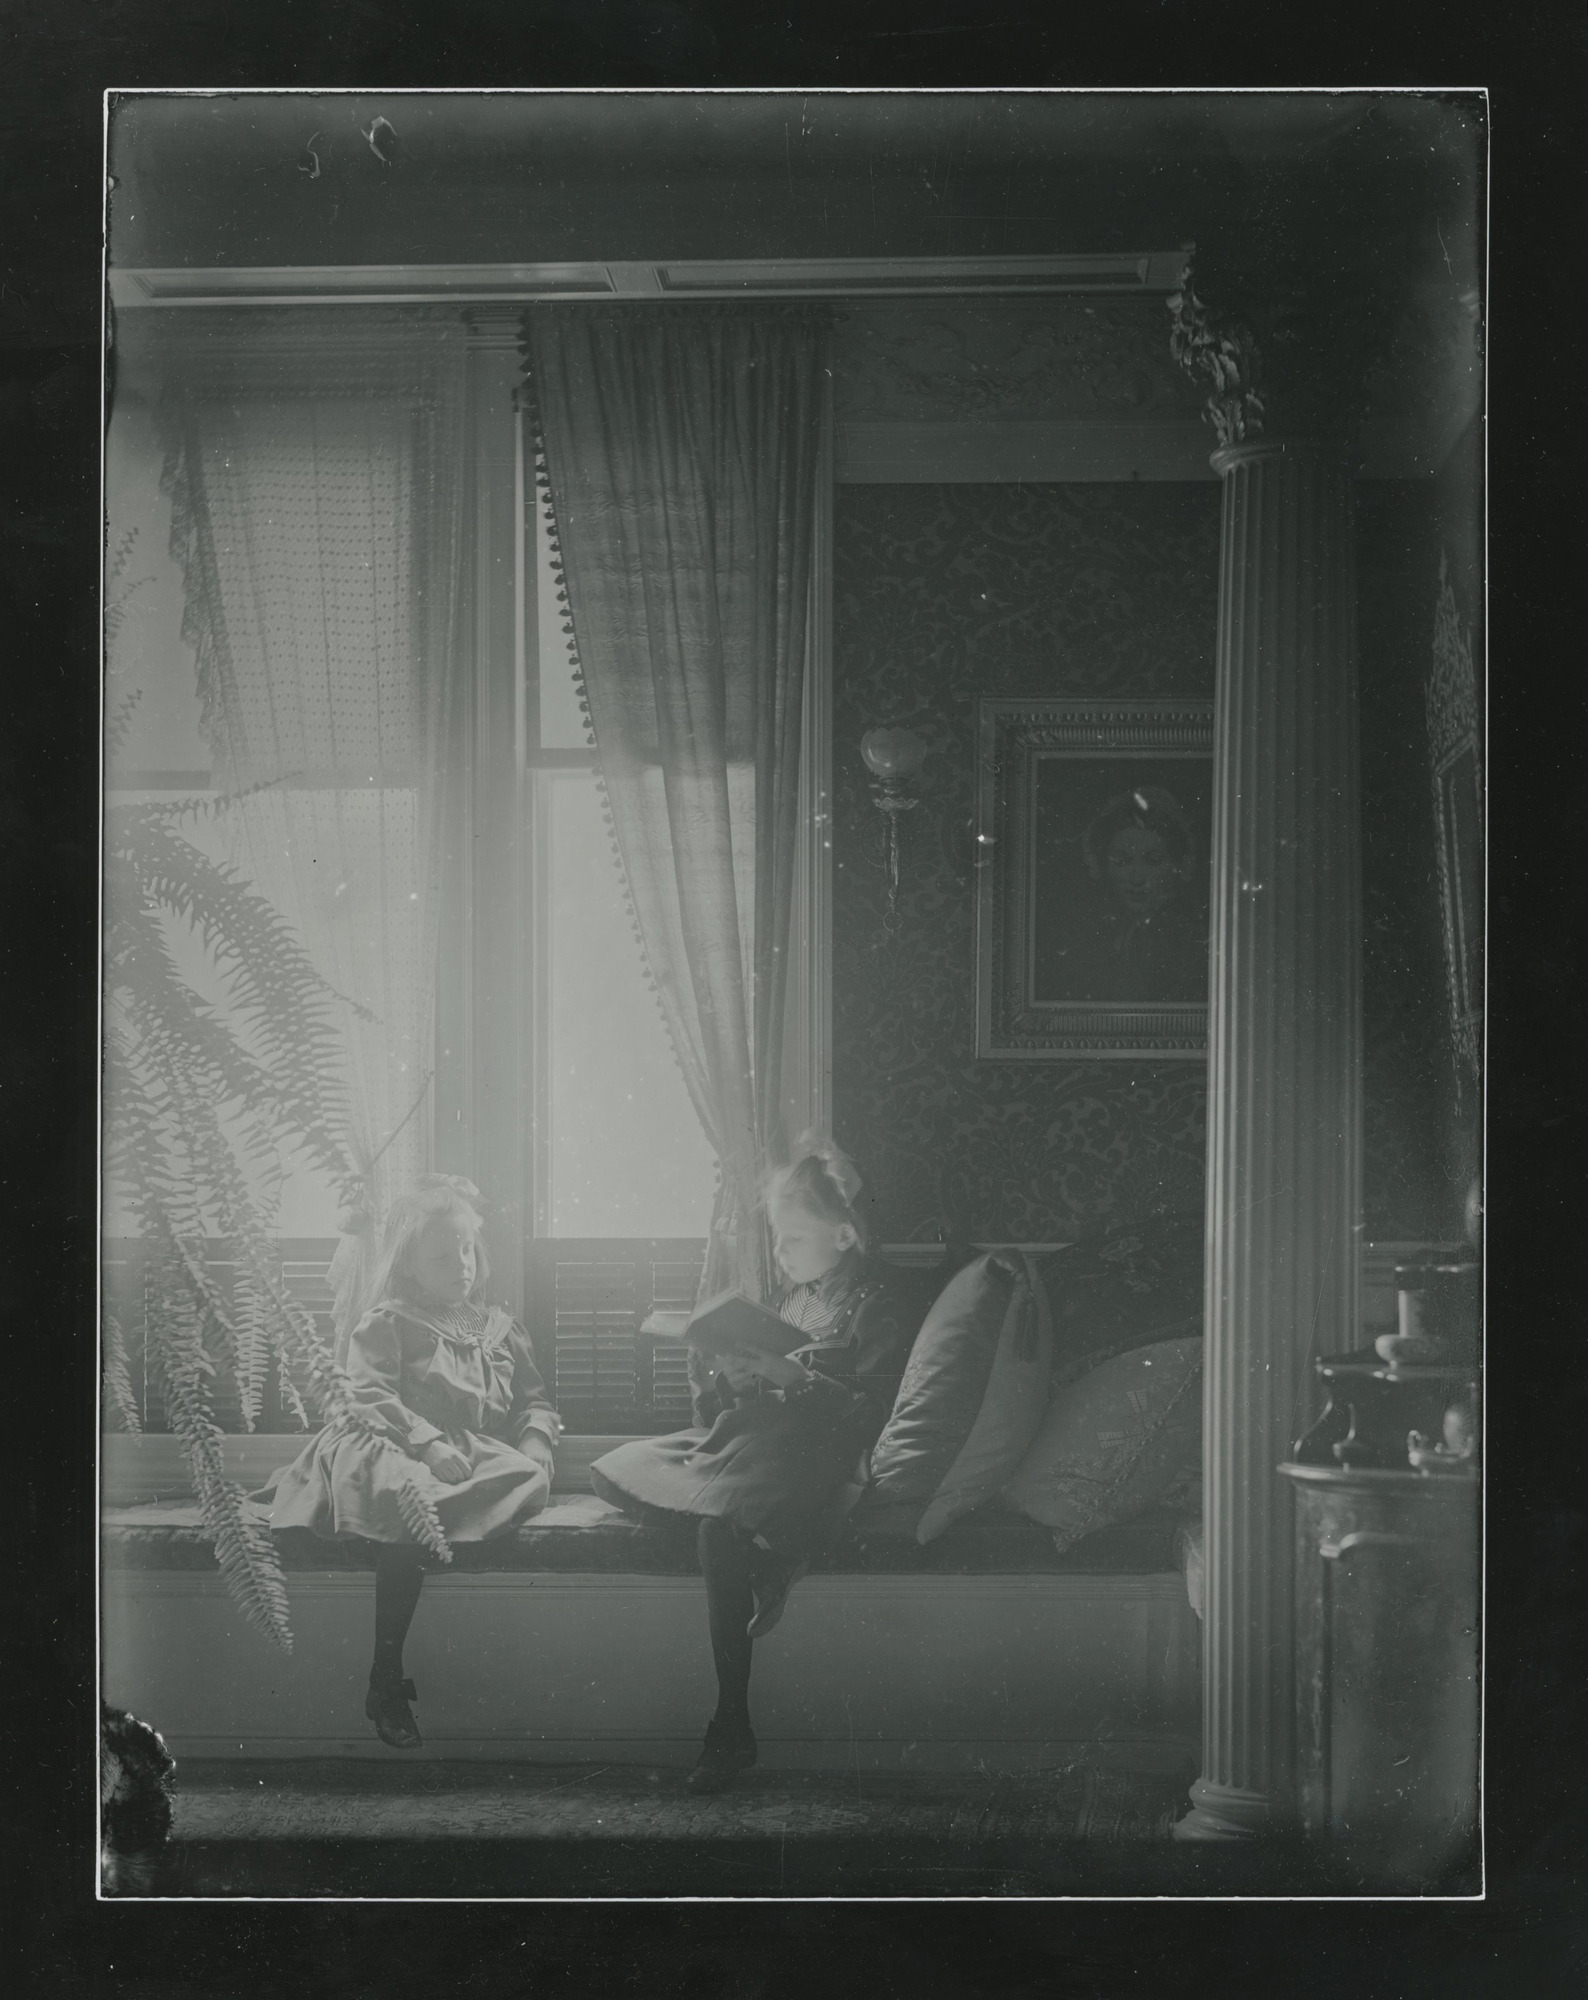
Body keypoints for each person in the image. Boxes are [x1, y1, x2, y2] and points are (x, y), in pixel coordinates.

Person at [588, 1143, 922, 1794]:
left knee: (716, 1527)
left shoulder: (880, 1306)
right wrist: (729, 1377)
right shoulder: (792, 1303)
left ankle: (730, 1723)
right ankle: (771, 1558)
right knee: (612, 1471)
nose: (781, 1254)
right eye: (777, 1239)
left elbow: (876, 1415)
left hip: (817, 1458)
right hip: (752, 1441)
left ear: (846, 1234)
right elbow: (732, 1409)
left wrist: (792, 1380)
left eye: (794, 1238)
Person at [259, 1175, 561, 1749]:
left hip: (466, 1448)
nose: (461, 1265)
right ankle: (386, 1678)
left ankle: (441, 1513)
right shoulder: (389, 1321)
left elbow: (535, 1401)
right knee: (409, 1501)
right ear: (409, 1265)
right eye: (442, 1256)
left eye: (467, 1250)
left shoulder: (498, 1329)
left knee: (520, 1474)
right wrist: (426, 1442)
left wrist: (537, 1442)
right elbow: (367, 1395)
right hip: (388, 1441)